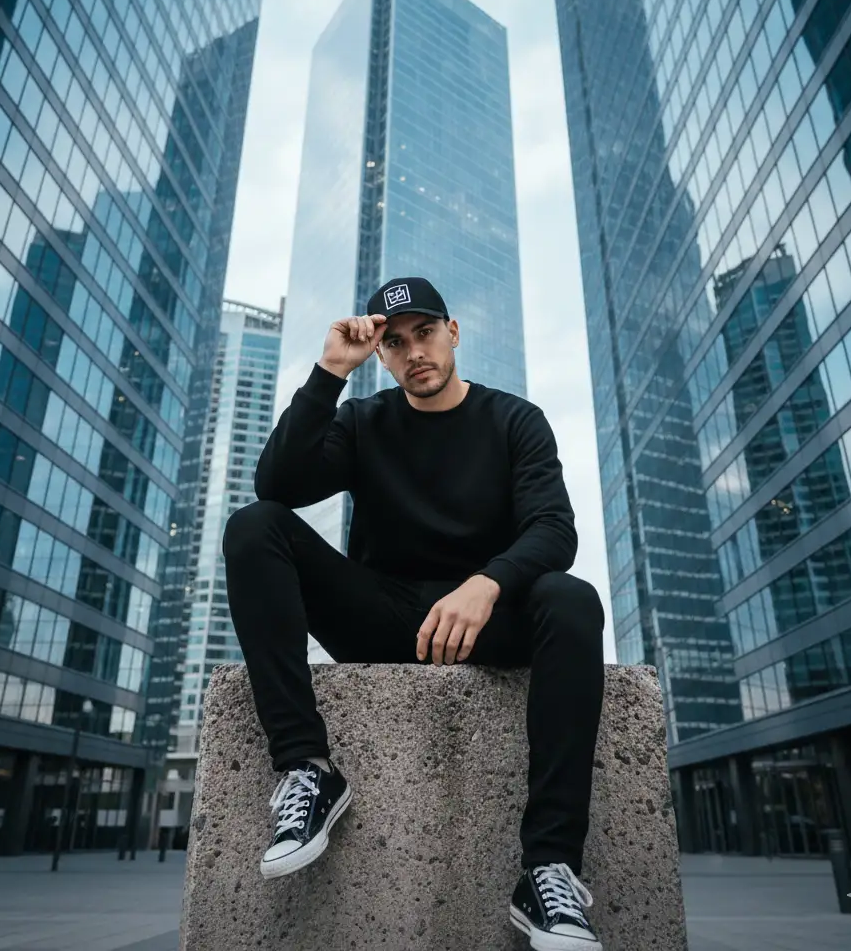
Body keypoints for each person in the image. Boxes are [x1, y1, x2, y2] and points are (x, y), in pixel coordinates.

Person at [223, 276, 606, 949]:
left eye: (425, 333)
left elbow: (554, 529)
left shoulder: (514, 420)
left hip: (486, 623)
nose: (413, 353)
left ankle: (548, 867)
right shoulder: (364, 422)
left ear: (453, 332)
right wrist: (328, 373)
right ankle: (309, 771)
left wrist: (487, 582)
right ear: (382, 355)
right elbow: (277, 485)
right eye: (394, 343)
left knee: (570, 597)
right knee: (256, 526)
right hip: (384, 619)